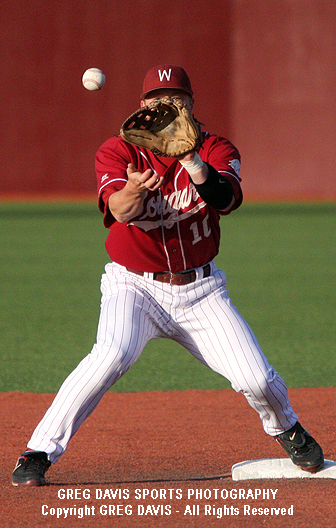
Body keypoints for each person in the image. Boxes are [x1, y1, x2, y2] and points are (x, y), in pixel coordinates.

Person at [12, 64, 324, 486]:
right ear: (141, 107)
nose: (166, 104)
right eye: (156, 98)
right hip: (134, 285)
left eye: (175, 97)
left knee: (255, 376)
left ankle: (287, 428)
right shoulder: (119, 151)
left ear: (191, 104)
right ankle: (37, 452)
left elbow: (226, 199)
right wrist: (134, 190)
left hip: (201, 290)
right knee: (110, 355)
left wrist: (191, 159)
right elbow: (119, 210)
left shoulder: (215, 148)